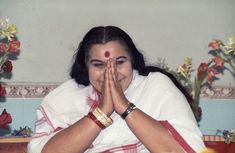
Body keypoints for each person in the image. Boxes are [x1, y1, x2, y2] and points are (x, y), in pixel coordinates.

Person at [27, 26, 205, 153]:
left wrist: (124, 107)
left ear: (132, 61)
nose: (110, 73)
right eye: (99, 65)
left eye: (119, 62)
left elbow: (183, 150)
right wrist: (102, 112)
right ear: (86, 67)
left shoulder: (156, 87)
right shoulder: (65, 98)